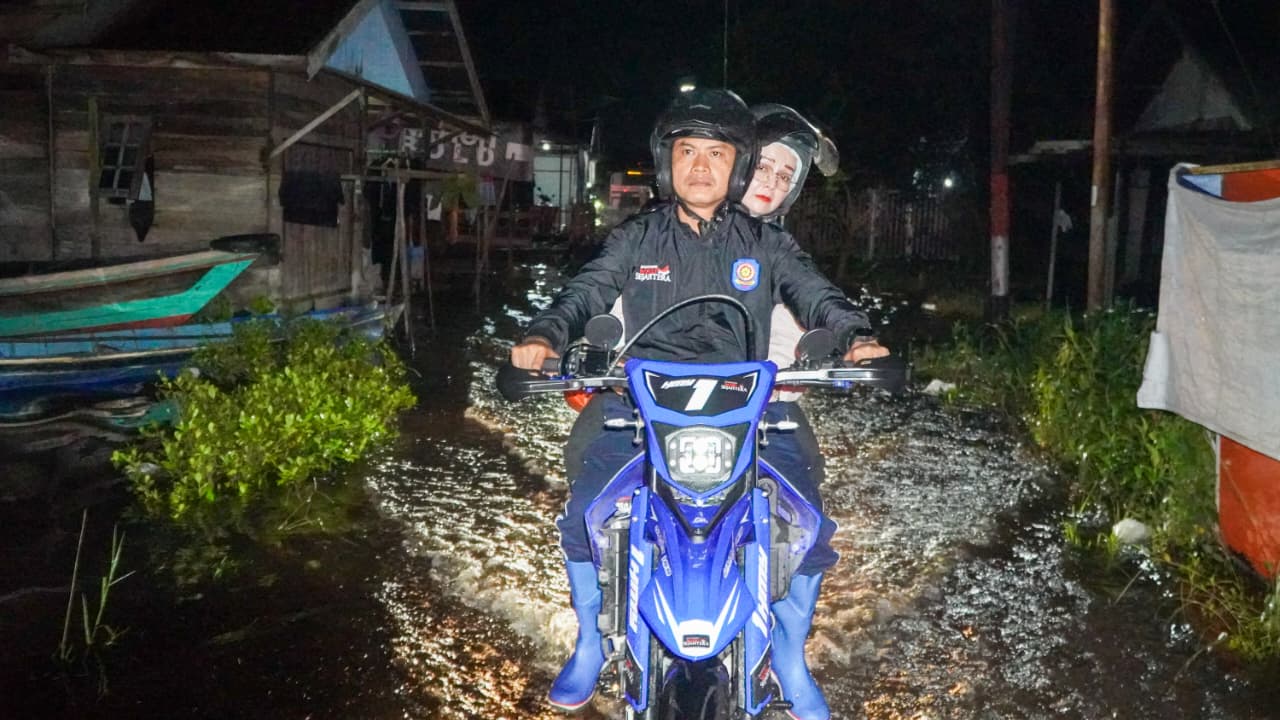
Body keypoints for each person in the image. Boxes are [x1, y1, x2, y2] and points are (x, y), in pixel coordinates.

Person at [510, 89, 887, 719]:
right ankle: (589, 643)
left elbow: (818, 295)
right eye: (688, 151)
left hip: (749, 405)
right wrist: (545, 335)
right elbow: (586, 290)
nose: (702, 166)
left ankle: (790, 655)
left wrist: (858, 338)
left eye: (718, 153)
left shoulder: (767, 243)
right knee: (585, 510)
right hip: (637, 400)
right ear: (667, 161)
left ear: (737, 164)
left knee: (811, 522)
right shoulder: (636, 238)